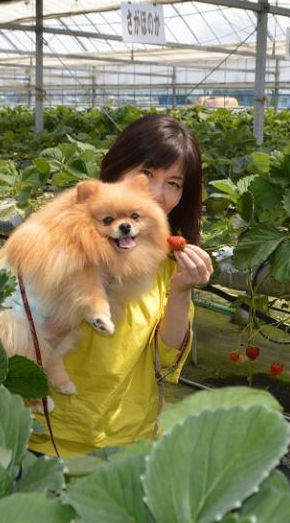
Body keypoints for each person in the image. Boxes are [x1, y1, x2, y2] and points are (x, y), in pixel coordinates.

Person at [27, 114, 213, 457]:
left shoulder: (165, 259)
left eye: (174, 183)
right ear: (115, 170)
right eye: (147, 175)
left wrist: (181, 291)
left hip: (128, 441)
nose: (158, 194)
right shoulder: (61, 242)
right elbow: (31, 339)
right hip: (51, 437)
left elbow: (162, 362)